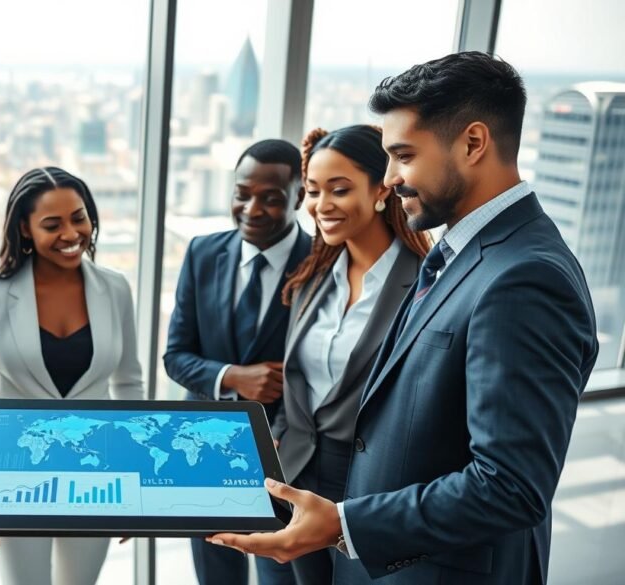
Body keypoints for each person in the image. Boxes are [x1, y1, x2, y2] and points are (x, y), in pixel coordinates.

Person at [208, 51, 598, 585]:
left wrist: (343, 523)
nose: (389, 178)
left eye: (403, 155)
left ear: (474, 143)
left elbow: (510, 486)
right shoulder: (463, 254)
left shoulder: (525, 278)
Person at [0, 166, 144, 585]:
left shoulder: (115, 288)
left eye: (78, 217)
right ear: (25, 229)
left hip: (97, 471)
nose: (71, 232)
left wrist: (134, 490)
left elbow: (129, 385)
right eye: (52, 224)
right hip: (17, 471)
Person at [270, 124, 430, 584]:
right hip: (300, 477)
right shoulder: (313, 277)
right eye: (314, 191)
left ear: (382, 187)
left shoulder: (424, 282)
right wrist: (281, 434)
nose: (322, 206)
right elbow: (298, 381)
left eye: (339, 190)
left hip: (371, 485)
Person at [164, 139, 309, 585]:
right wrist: (232, 377)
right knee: (215, 574)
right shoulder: (202, 253)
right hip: (203, 453)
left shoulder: (321, 264)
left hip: (285, 460)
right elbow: (176, 356)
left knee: (279, 576)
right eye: (242, 194)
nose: (252, 208)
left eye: (271, 198)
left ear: (299, 197)